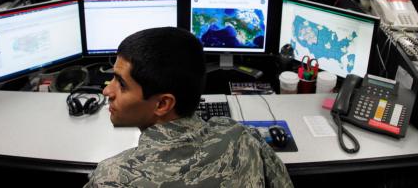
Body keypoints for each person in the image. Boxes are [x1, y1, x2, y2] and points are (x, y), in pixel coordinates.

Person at [84, 27, 293, 187]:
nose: (106, 91)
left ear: (163, 104)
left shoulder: (111, 177)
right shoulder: (243, 136)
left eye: (121, 84)